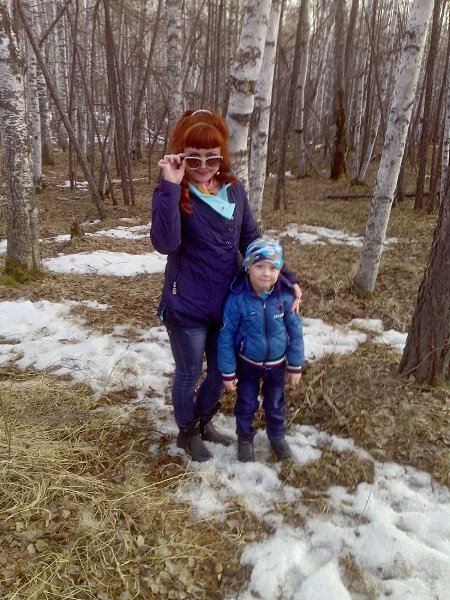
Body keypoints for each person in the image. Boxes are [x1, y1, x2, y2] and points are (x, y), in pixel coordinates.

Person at [150, 109, 302, 462]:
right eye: (194, 158)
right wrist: (170, 185)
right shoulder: (173, 190)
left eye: (212, 157)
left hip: (227, 301)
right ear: (181, 155)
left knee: (220, 372)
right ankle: (187, 432)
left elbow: (250, 239)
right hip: (187, 304)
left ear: (222, 156)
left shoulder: (233, 190)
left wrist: (287, 278)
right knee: (189, 373)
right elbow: (166, 243)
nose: (203, 166)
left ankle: (203, 420)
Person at [217, 237, 304, 462]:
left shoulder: (285, 298)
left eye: (273, 268)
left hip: (277, 365)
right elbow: (226, 335)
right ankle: (245, 439)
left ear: (280, 270)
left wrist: (295, 365)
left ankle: (277, 436)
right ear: (248, 267)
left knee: (275, 403)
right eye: (259, 266)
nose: (266, 273)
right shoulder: (237, 299)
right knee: (246, 403)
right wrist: (228, 371)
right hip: (247, 364)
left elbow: (295, 333)